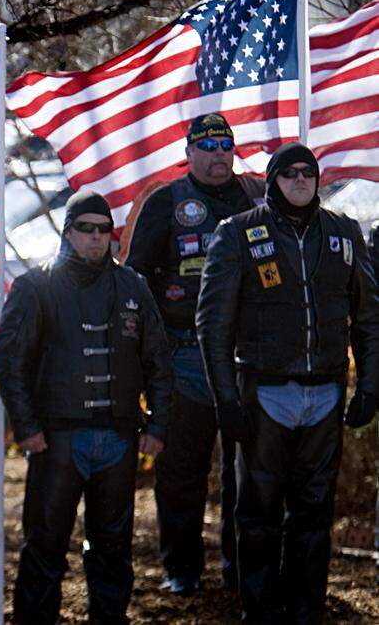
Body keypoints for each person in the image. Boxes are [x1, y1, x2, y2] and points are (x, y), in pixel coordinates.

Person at [197, 142, 379, 623]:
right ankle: (260, 609)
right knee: (257, 514)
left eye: (308, 172)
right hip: (264, 391)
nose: (300, 180)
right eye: (288, 173)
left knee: (315, 513)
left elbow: (368, 317)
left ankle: (306, 609)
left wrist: (371, 386)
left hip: (325, 390)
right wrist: (226, 399)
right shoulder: (237, 233)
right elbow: (212, 324)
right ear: (273, 180)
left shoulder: (343, 233)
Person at [0, 190, 171, 624]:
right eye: (85, 229)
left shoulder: (133, 286)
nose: (96, 238)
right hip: (57, 439)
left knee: (114, 548)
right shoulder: (37, 285)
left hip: (119, 436)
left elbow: (159, 363)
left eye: (104, 230)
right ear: (67, 232)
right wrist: (26, 425)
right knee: (45, 545)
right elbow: (10, 359)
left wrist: (159, 425)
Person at [125, 112, 265, 593]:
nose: (218, 155)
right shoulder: (167, 201)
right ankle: (181, 570)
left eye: (225, 145)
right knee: (183, 469)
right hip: (185, 356)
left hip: (248, 357)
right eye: (207, 147)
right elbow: (134, 281)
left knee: (244, 472)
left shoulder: (256, 197)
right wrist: (145, 354)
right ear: (188, 153)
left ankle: (238, 568)